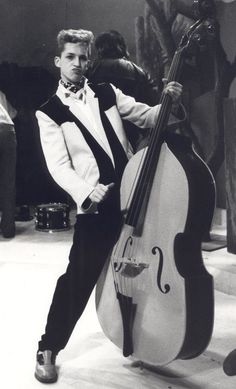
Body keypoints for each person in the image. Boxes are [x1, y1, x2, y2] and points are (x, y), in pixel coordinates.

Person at [34, 28, 183, 383]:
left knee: (142, 269)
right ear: (59, 61)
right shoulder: (49, 112)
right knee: (78, 279)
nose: (78, 64)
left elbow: (147, 116)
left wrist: (170, 100)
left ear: (91, 59)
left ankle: (151, 338)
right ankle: (48, 347)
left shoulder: (106, 92)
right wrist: (87, 192)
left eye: (84, 57)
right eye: (70, 57)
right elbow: (59, 166)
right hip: (96, 206)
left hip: (133, 195)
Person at [87, 29, 158, 151]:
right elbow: (153, 102)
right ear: (120, 46)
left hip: (99, 134)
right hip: (134, 134)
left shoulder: (91, 70)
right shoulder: (137, 71)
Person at [0, 91, 17, 238]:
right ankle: (8, 228)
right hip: (7, 130)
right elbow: (13, 114)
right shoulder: (1, 94)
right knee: (8, 181)